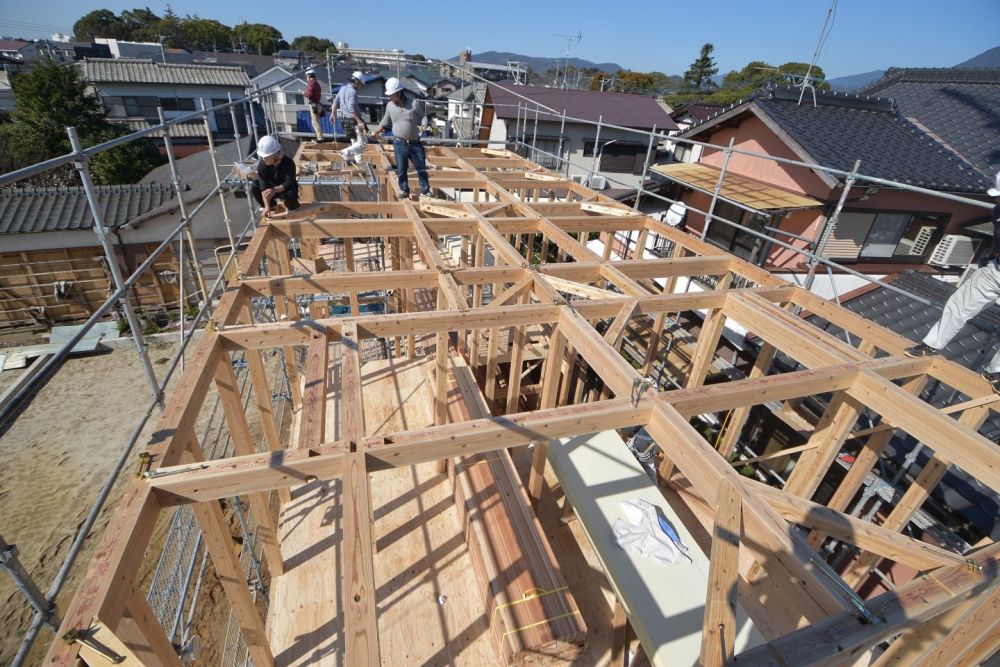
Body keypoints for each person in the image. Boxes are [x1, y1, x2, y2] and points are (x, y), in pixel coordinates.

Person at [905, 170, 1000, 393]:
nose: (996, 199)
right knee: (959, 305)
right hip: (995, 269)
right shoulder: (997, 210)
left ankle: (995, 372)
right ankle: (929, 345)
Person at [371, 77, 431, 199]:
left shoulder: (413, 103)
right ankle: (404, 190)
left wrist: (424, 125)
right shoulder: (389, 106)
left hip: (415, 143)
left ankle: (425, 190)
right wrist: (377, 130)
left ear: (399, 93)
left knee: (421, 168)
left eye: (392, 95)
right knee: (401, 169)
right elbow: (385, 121)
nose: (390, 98)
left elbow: (424, 117)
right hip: (399, 143)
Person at [250, 136, 299, 217]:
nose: (264, 159)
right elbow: (263, 189)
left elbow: (290, 183)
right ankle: (272, 206)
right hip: (271, 190)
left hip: (284, 190)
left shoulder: (288, 163)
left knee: (291, 192)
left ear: (275, 155)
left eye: (266, 157)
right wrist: (266, 206)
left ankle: (291, 207)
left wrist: (274, 190)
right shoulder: (262, 165)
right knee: (255, 185)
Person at [331, 70, 368, 144]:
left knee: (354, 142)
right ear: (357, 82)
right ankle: (345, 152)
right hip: (353, 121)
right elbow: (351, 108)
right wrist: (359, 121)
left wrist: (333, 114)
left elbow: (335, 101)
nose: (360, 87)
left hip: (346, 120)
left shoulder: (343, 88)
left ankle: (349, 153)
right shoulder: (353, 92)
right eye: (361, 85)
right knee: (362, 143)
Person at [304, 68, 324, 142]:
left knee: (315, 121)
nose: (306, 78)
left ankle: (320, 138)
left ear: (309, 75)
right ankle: (319, 137)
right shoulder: (317, 84)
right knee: (315, 121)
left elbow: (309, 95)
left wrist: (303, 93)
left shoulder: (311, 83)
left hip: (313, 104)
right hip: (317, 104)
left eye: (306, 76)